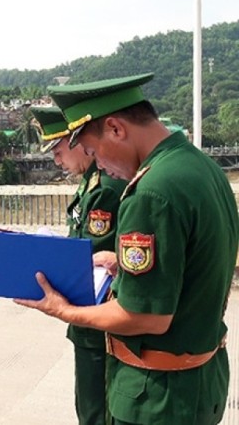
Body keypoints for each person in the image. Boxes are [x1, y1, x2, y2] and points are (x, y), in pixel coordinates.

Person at [17, 73, 239, 425]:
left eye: (93, 152)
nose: (100, 165)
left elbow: (145, 317)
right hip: (201, 380)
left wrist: (64, 311)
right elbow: (195, 262)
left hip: (157, 396)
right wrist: (123, 264)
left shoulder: (150, 191)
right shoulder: (201, 167)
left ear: (116, 129)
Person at [33, 106, 126, 425]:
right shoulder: (90, 182)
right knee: (89, 405)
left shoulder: (104, 187)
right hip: (89, 316)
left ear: (77, 142)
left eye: (58, 151)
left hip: (98, 314)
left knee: (96, 408)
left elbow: (96, 254)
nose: (57, 161)